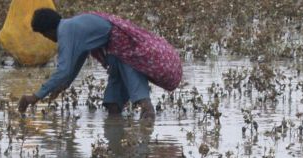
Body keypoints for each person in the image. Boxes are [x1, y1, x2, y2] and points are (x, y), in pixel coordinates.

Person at [17, 8, 182, 120]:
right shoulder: (72, 26)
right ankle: (116, 132)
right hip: (115, 51)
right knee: (112, 105)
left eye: (45, 36)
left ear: (48, 31)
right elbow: (77, 62)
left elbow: (63, 70)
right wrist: (64, 85)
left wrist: (36, 96)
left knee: (138, 93)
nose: (48, 39)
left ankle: (147, 116)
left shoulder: (65, 32)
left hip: (124, 49)